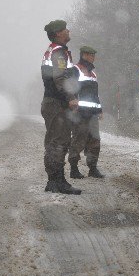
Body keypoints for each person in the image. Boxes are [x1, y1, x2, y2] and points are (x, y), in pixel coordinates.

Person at [41, 20, 82, 195]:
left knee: (55, 141)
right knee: (59, 142)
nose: (68, 31)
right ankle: (58, 181)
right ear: (58, 34)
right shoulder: (58, 52)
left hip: (53, 102)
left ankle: (54, 181)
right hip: (56, 103)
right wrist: (71, 98)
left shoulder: (55, 50)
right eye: (65, 30)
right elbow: (60, 78)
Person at [68, 46, 105, 179]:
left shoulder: (93, 74)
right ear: (84, 55)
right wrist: (72, 101)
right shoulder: (76, 69)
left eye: (93, 55)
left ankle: (92, 168)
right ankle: (73, 169)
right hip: (79, 113)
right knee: (79, 139)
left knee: (95, 141)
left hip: (93, 113)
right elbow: (70, 87)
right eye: (91, 55)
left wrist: (99, 110)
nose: (93, 57)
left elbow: (96, 94)